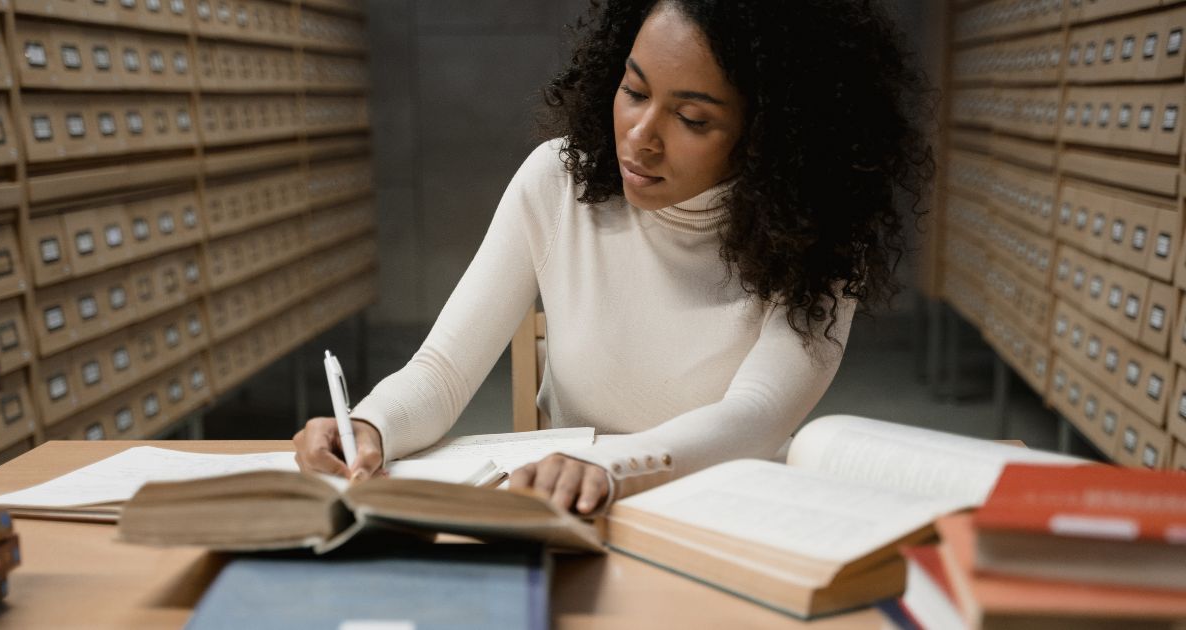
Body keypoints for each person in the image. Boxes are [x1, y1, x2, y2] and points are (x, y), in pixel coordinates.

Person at [294, 0, 932, 515]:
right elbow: (442, 370)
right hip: (576, 515)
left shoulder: (819, 239)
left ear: (770, 137)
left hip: (724, 515)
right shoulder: (557, 183)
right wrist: (370, 427)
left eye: (691, 118)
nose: (641, 135)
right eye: (634, 90)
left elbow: (756, 417)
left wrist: (608, 466)